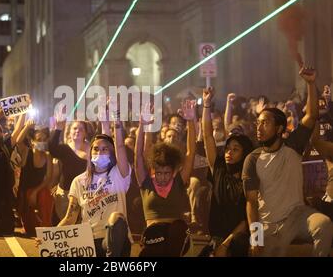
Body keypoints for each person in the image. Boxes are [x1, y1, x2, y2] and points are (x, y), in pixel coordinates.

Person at [243, 64, 333, 257]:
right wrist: (255, 236)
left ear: (279, 129)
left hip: (298, 215)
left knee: (324, 225)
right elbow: (251, 202)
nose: (259, 127)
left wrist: (310, 83)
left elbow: (311, 116)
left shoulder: (293, 146)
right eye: (257, 123)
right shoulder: (252, 159)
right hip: (269, 223)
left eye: (265, 123)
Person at [58, 112, 132, 257]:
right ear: (90, 152)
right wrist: (48, 237)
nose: (100, 152)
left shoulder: (119, 174)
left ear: (112, 154)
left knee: (116, 218)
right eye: (96, 149)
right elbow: (70, 217)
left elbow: (120, 146)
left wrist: (115, 121)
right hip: (89, 241)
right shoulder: (79, 181)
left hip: (117, 240)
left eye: (105, 149)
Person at [135, 103, 195, 257]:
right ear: (154, 169)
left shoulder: (178, 181)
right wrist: (143, 125)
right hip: (153, 240)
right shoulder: (146, 183)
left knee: (177, 230)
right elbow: (138, 156)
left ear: (174, 171)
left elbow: (190, 153)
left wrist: (190, 121)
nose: (162, 177)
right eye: (159, 173)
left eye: (166, 173)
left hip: (176, 238)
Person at [202, 87, 253, 256]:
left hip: (241, 237)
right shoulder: (219, 170)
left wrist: (226, 244)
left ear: (244, 153)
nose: (229, 153)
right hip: (217, 235)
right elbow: (208, 136)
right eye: (228, 149)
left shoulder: (249, 179)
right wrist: (207, 105)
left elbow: (248, 219)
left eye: (235, 149)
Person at [48, 116, 90, 224]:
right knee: (64, 223)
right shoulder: (65, 149)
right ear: (70, 131)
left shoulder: (92, 149)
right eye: (75, 128)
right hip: (65, 194)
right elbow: (52, 148)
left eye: (81, 129)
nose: (77, 131)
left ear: (85, 133)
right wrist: (58, 128)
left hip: (85, 194)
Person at [16, 121, 54, 235]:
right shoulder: (27, 152)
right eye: (38, 139)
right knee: (31, 231)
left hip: (39, 190)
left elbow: (48, 178)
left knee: (45, 194)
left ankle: (46, 226)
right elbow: (18, 141)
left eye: (44, 139)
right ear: (32, 141)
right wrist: (27, 126)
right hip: (24, 191)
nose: (41, 142)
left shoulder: (47, 156)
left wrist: (35, 192)